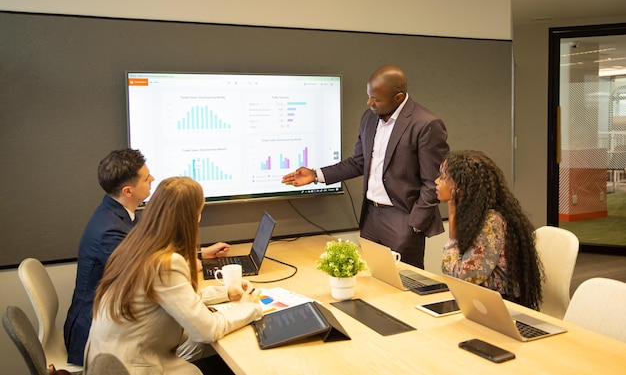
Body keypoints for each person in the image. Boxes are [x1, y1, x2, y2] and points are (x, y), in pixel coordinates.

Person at [64, 149, 231, 365]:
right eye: (146, 178)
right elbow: (155, 271)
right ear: (128, 190)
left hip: (116, 327)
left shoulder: (119, 215)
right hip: (101, 342)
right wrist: (192, 263)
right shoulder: (110, 231)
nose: (152, 179)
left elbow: (151, 254)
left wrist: (199, 253)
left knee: (195, 331)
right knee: (199, 334)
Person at [84, 176, 262, 374]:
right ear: (193, 217)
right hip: (133, 367)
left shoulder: (135, 244)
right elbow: (207, 330)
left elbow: (175, 297)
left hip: (107, 361)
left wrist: (226, 293)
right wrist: (250, 308)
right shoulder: (166, 264)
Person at [281, 65, 449, 268]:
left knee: (404, 285)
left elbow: (433, 182)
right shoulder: (369, 118)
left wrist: (414, 225)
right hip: (371, 216)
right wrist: (316, 175)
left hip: (402, 217)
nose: (369, 102)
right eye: (369, 96)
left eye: (376, 99)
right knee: (371, 279)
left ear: (398, 97)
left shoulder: (425, 124)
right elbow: (358, 162)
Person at [436, 150, 544, 310]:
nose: (436, 181)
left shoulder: (491, 222)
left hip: (499, 307)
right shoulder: (474, 215)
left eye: (444, 178)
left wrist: (452, 216)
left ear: (460, 188)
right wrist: (452, 210)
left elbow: (462, 276)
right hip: (480, 301)